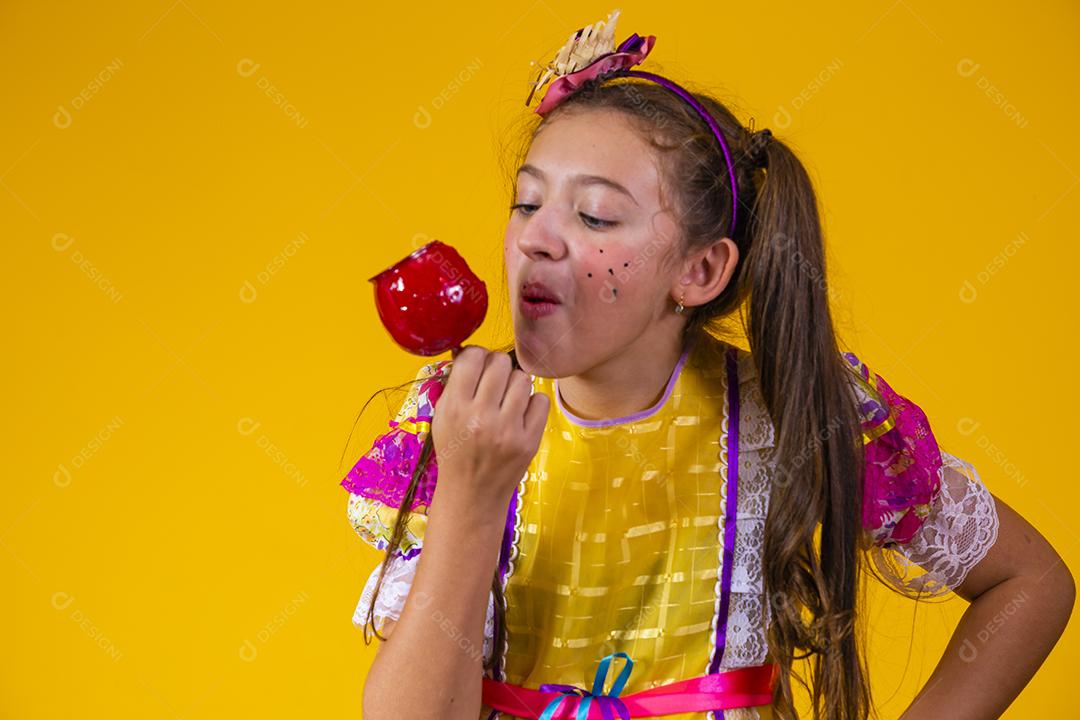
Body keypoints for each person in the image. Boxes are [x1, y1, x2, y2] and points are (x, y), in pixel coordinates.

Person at [342, 10, 1074, 720]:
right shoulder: (457, 425)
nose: (536, 238)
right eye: (526, 202)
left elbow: (1030, 583)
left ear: (698, 270)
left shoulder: (789, 411)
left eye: (594, 215)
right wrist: (472, 492)